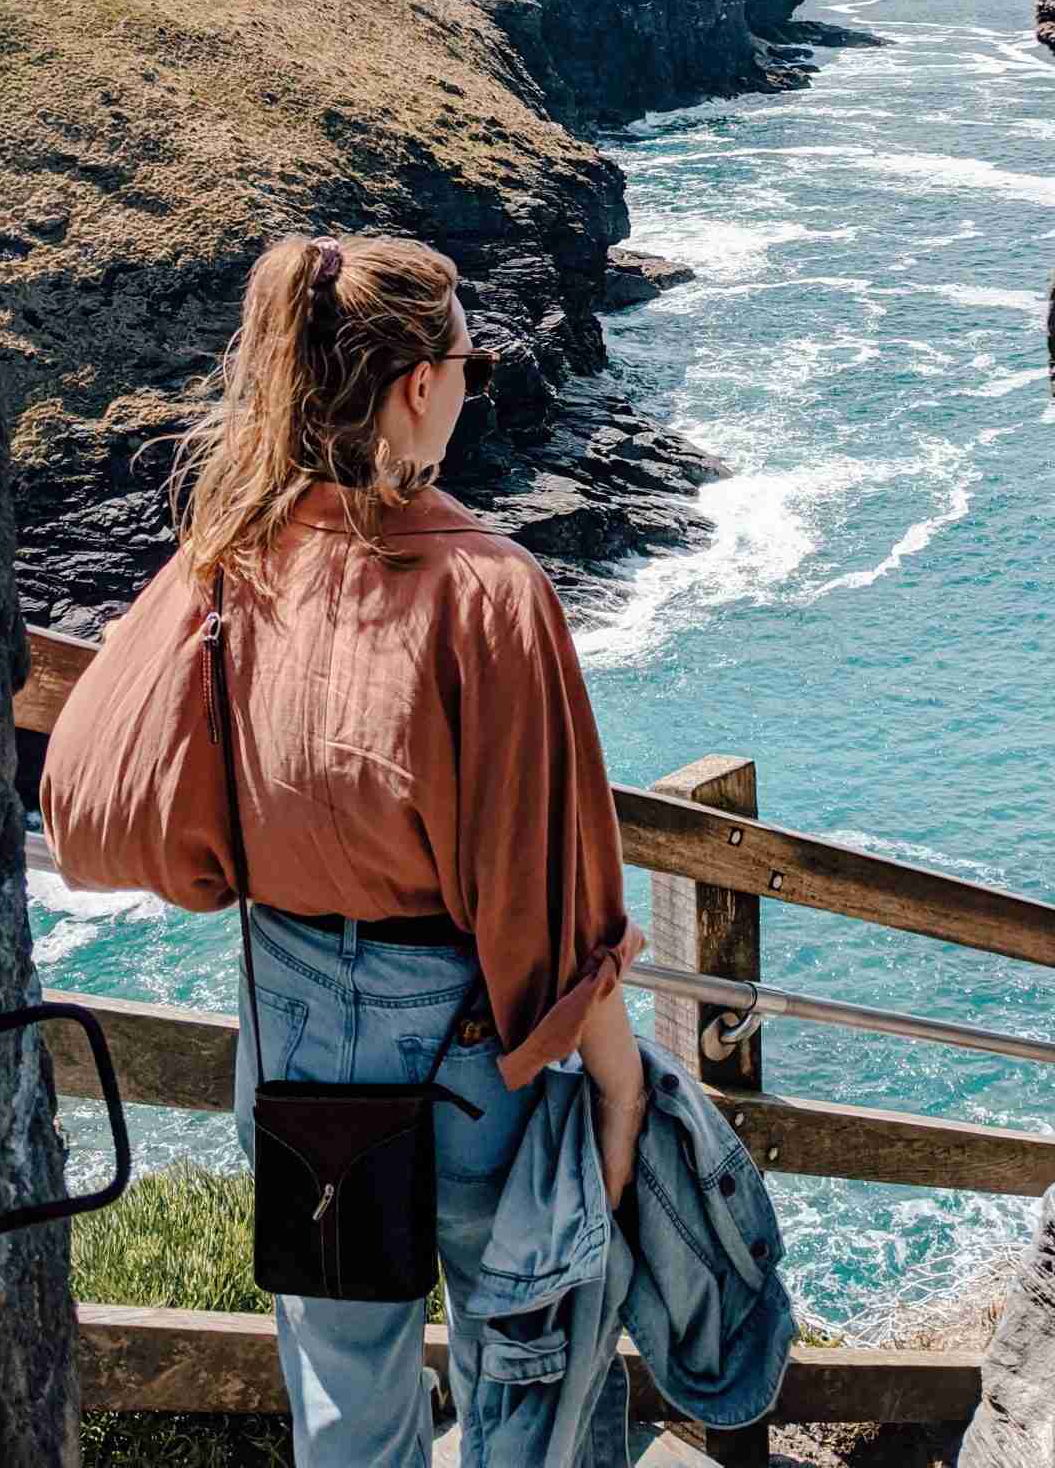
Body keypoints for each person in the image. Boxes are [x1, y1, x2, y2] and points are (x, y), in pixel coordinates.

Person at [40, 230, 649, 1466]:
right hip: (473, 1032)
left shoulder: (226, 566)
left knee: (342, 1388)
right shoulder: (488, 589)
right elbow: (546, 893)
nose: (472, 386)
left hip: (300, 1015)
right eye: (469, 360)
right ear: (419, 382)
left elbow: (92, 783)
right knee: (526, 1363)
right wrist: (624, 1078)